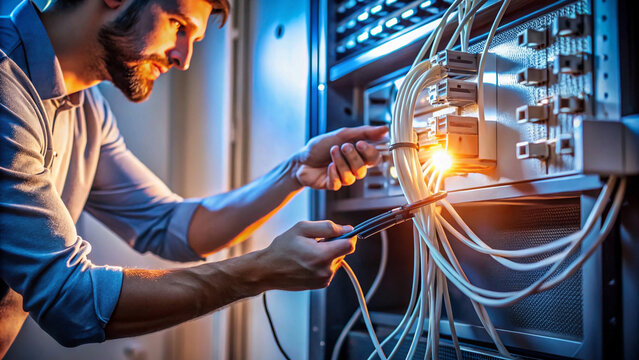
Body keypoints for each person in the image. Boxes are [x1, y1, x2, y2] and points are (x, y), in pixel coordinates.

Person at [0, 0, 388, 355]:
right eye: (177, 24)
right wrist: (261, 270)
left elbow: (170, 225)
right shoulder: (5, 83)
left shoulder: (87, 110)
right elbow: (71, 301)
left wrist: (294, 172)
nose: (183, 59)